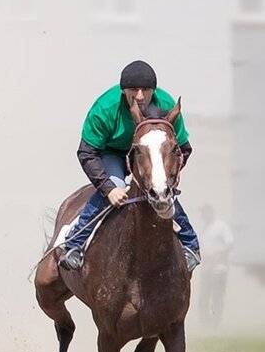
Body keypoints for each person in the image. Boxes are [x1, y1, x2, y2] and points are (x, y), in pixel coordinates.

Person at [57, 59, 200, 272]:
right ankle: (75, 243)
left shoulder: (167, 105)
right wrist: (109, 189)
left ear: (154, 90)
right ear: (124, 91)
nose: (140, 96)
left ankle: (190, 245)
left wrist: (168, 175)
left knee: (160, 189)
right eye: (134, 90)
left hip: (150, 155)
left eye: (146, 90)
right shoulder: (105, 108)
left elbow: (183, 149)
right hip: (111, 152)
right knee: (115, 182)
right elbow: (87, 152)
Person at [197, 205, 233, 327]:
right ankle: (205, 323)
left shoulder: (221, 226)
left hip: (219, 269)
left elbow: (229, 243)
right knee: (204, 297)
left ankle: (215, 323)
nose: (203, 216)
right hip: (206, 269)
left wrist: (216, 253)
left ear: (210, 213)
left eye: (204, 213)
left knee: (217, 297)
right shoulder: (204, 228)